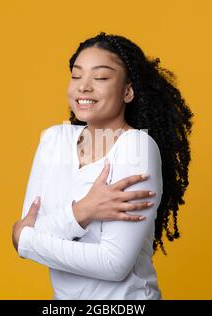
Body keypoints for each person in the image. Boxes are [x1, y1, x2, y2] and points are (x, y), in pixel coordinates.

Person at [12, 32, 194, 299]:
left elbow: (113, 264)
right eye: (76, 75)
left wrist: (26, 240)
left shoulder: (136, 148)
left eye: (101, 77)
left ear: (127, 91)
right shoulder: (53, 139)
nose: (84, 86)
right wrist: (83, 211)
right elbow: (32, 231)